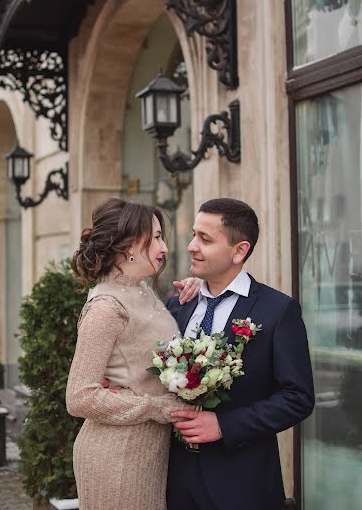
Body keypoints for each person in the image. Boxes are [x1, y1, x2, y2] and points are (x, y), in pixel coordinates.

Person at [166, 198, 315, 510]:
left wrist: (224, 426)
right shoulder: (179, 304)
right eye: (194, 234)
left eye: (205, 239)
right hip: (173, 480)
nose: (192, 246)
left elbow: (297, 397)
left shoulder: (277, 311)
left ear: (239, 251)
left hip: (243, 483)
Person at [66, 198, 197, 510]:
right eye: (155, 238)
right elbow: (79, 397)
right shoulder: (106, 307)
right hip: (116, 455)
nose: (164, 248)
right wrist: (157, 407)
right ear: (128, 245)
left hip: (149, 450)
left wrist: (195, 293)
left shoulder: (141, 290)